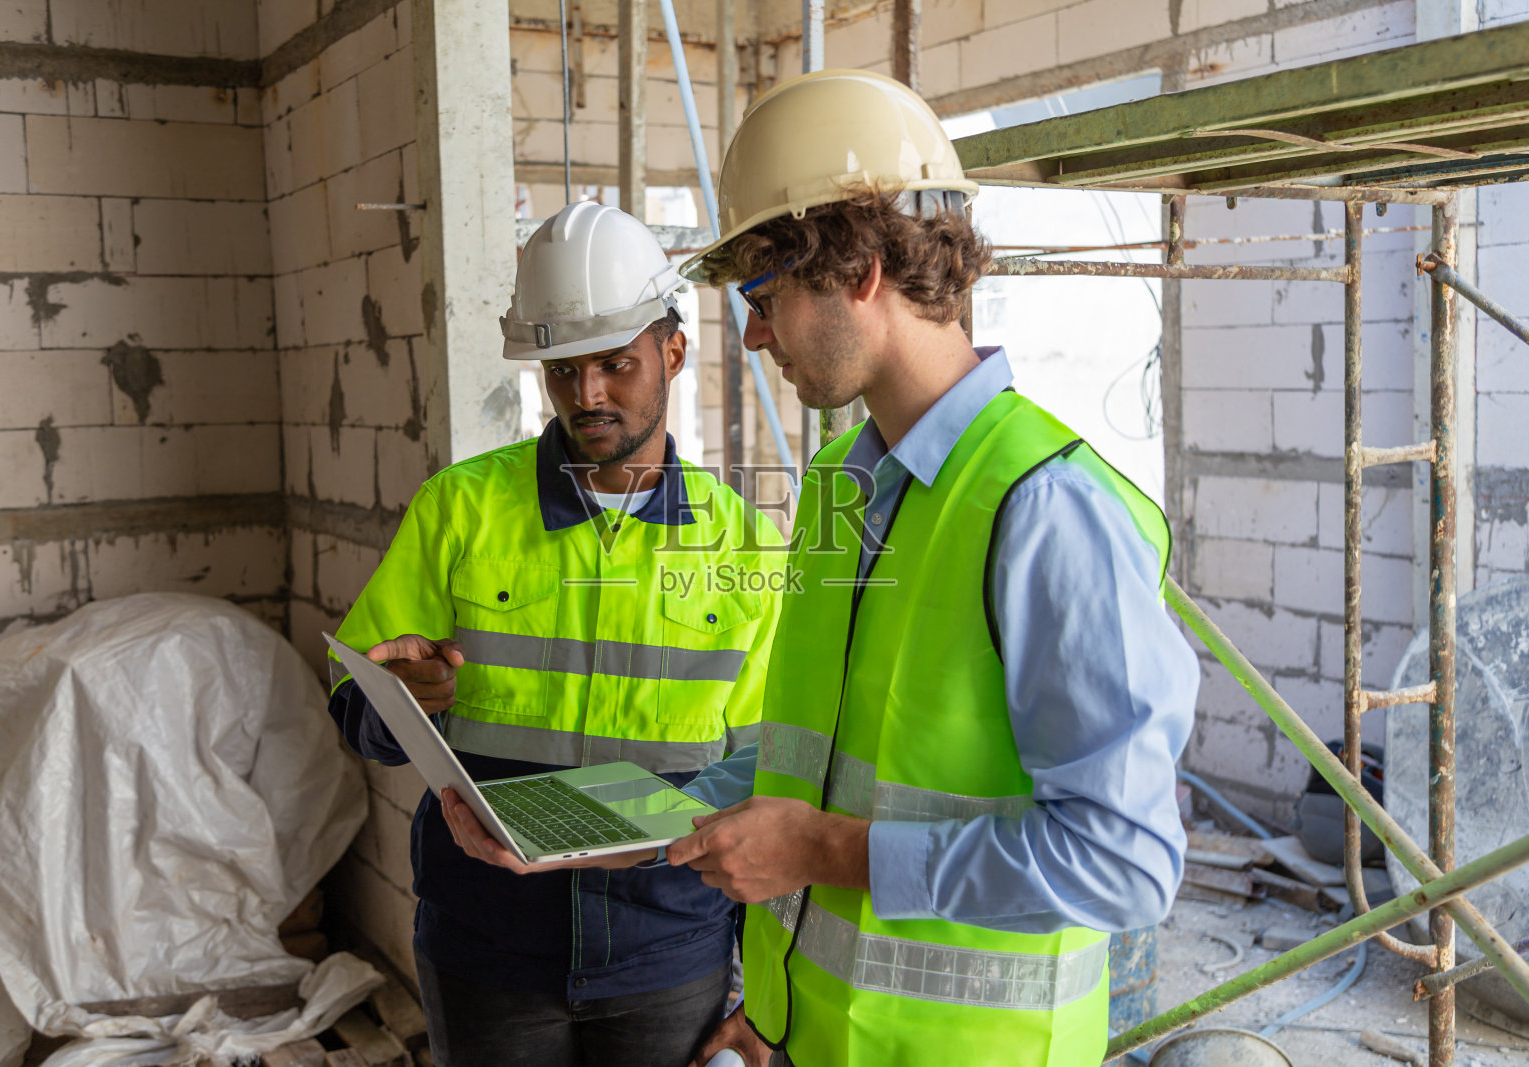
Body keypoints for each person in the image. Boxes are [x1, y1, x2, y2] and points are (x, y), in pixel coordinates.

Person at [443, 70, 1199, 1066]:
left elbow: (1123, 859)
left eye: (763, 295)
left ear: (862, 268)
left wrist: (824, 853)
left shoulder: (1046, 510)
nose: (753, 334)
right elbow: (799, 766)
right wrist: (585, 829)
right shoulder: (847, 482)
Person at [327, 200, 784, 1067]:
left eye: (616, 364)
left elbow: (773, 774)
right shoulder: (460, 509)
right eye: (564, 369)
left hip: (669, 950)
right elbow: (356, 705)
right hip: (486, 948)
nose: (590, 395)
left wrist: (763, 989)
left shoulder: (747, 545)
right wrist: (396, 701)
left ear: (673, 352)